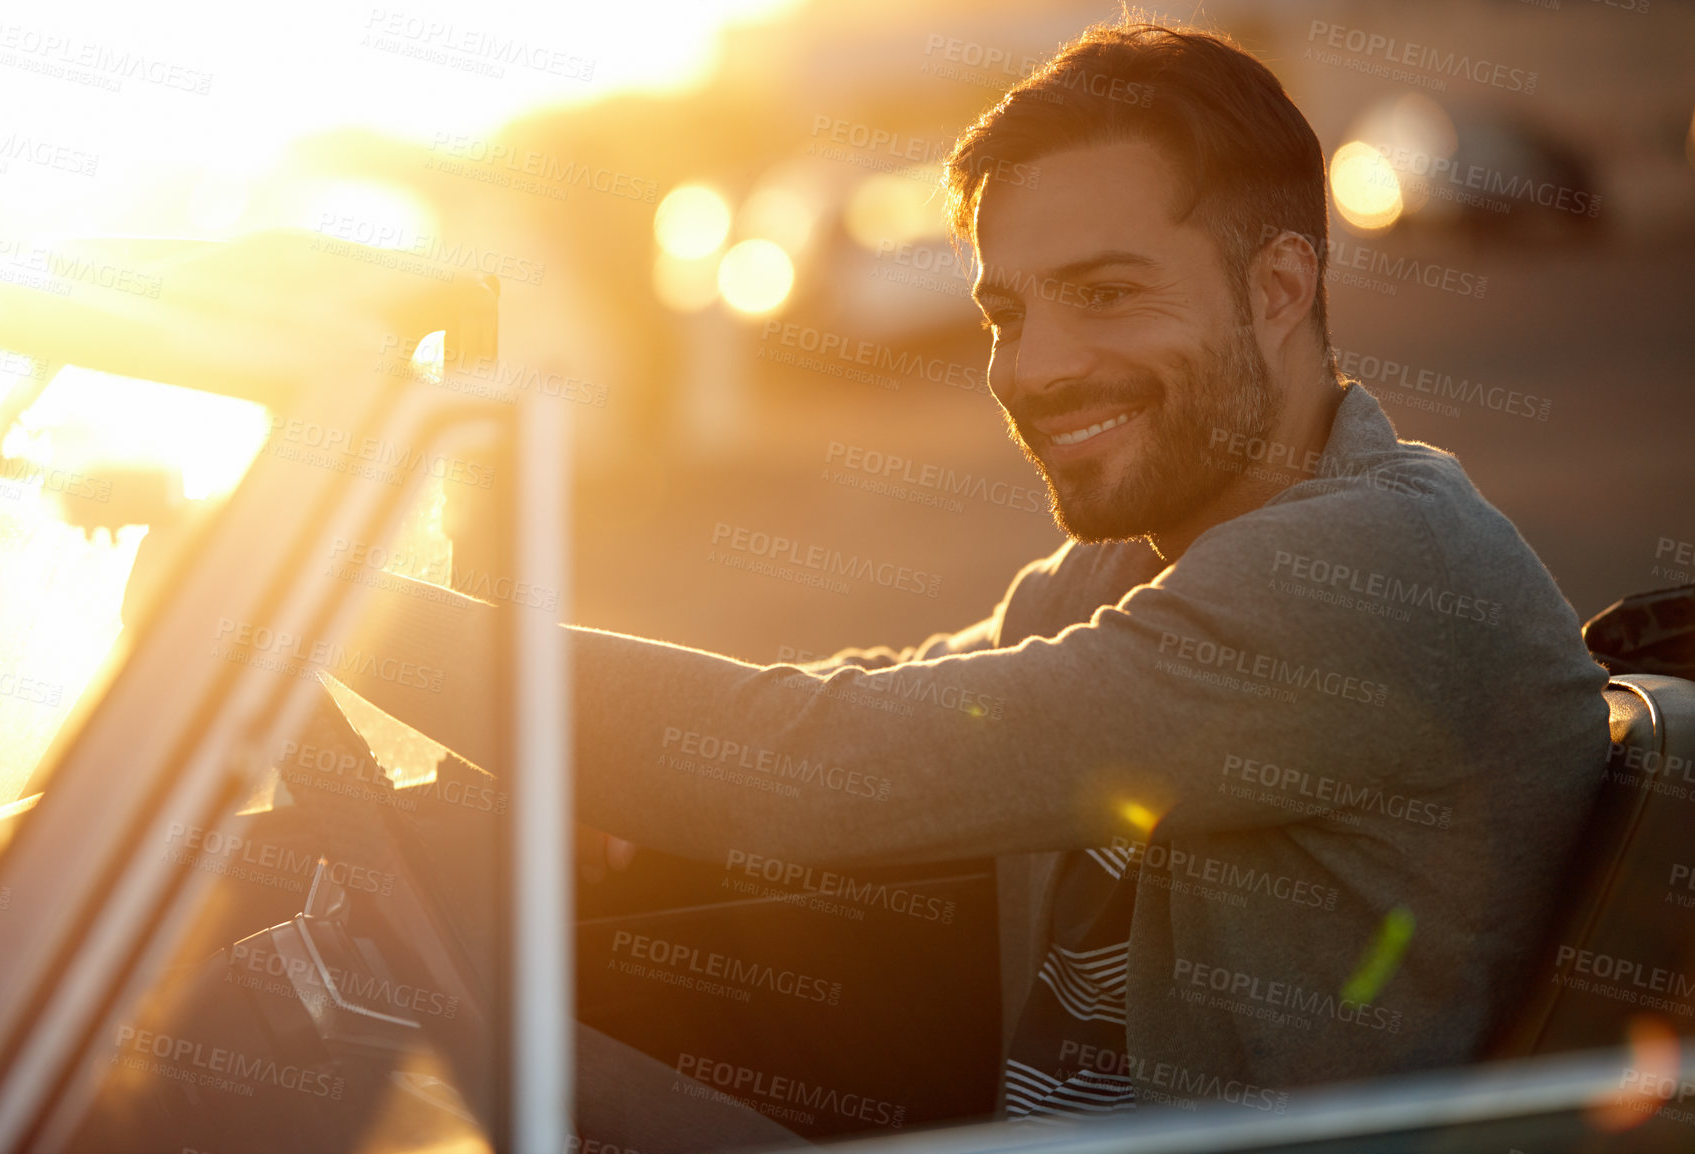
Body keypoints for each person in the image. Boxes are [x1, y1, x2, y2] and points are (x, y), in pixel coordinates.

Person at [569, 17, 1610, 1136]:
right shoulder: (1166, 538)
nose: (1035, 368)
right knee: (569, 965)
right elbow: (890, 689)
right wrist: (589, 777)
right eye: (1007, 313)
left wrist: (385, 625)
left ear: (1277, 286)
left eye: (1106, 292)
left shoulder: (1372, 565)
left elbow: (833, 762)